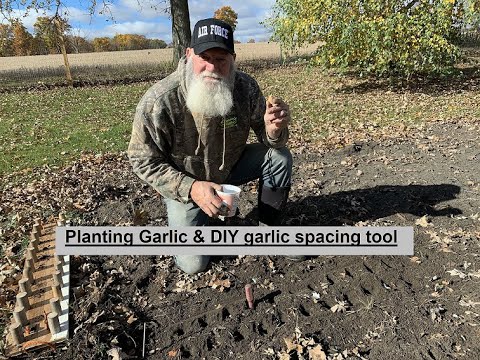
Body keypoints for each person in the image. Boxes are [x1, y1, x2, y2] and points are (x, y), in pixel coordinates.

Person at [128, 18, 296, 274]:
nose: (212, 67)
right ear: (189, 54)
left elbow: (269, 137)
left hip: (230, 167)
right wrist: (191, 188)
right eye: (204, 57)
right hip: (186, 181)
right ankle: (198, 215)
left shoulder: (245, 88)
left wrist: (274, 131)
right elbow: (142, 159)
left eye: (221, 60)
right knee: (192, 265)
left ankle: (269, 230)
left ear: (233, 59)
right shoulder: (160, 100)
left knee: (280, 157)